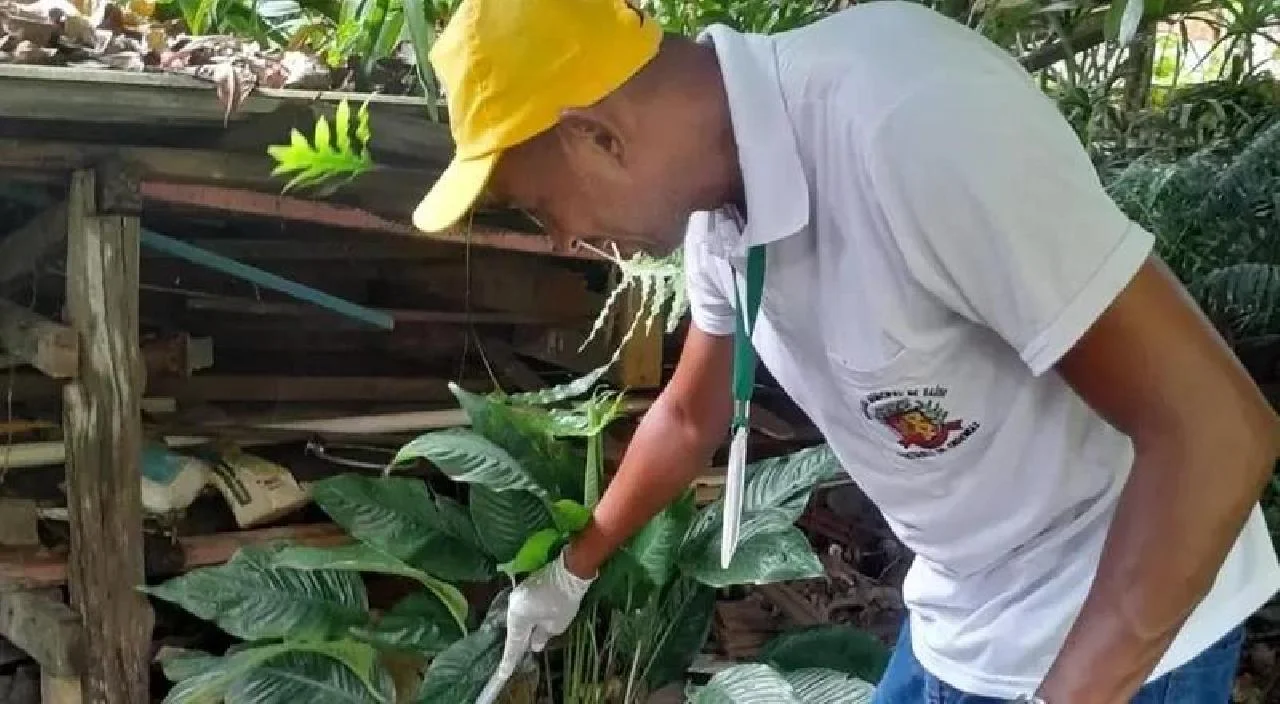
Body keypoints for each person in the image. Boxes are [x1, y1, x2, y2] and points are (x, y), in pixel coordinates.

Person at [411, 0, 1280, 701]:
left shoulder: (911, 122)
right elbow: (685, 416)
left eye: (537, 208)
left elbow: (1219, 431)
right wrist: (572, 570)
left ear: (597, 133)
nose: (560, 241)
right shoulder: (719, 212)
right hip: (963, 613)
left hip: (1124, 619)